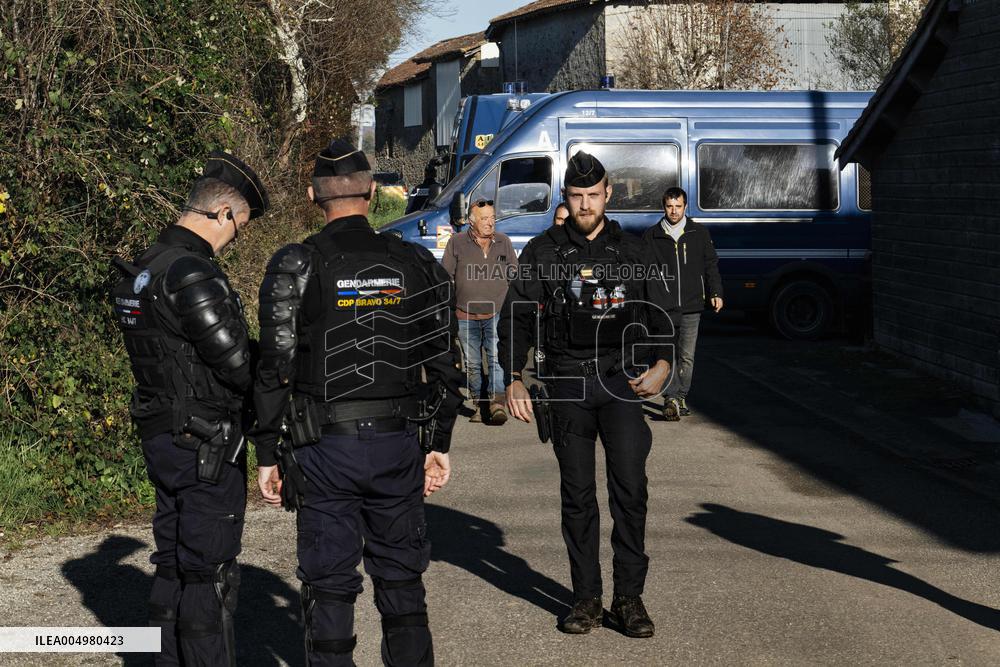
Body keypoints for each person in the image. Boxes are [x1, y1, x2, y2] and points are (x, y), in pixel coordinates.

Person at [252, 139, 463, 667]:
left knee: (329, 588)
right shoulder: (415, 262)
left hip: (324, 449)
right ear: (372, 192)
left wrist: (266, 453)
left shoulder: (295, 264)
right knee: (402, 587)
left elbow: (275, 366)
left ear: (311, 196)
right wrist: (436, 444)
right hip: (396, 445)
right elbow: (444, 364)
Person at [499, 151, 676, 639]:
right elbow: (515, 315)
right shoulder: (543, 251)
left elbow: (662, 314)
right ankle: (586, 598)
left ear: (608, 195)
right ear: (565, 198)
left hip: (620, 382)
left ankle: (629, 598)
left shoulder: (635, 251)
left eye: (592, 196)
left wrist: (663, 363)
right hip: (565, 382)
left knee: (630, 491)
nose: (584, 205)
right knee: (577, 497)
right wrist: (513, 376)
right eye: (575, 197)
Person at [110, 151, 269, 666]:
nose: (235, 238)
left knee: (173, 562)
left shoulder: (141, 267)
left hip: (160, 435)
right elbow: (238, 364)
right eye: (240, 227)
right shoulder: (191, 273)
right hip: (205, 444)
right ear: (224, 214)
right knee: (209, 573)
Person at [642, 186, 723, 421]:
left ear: (685, 207)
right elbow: (645, 271)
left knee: (686, 355)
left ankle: (679, 396)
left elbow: (710, 265)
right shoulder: (651, 236)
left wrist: (716, 291)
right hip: (663, 307)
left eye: (678, 207)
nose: (674, 211)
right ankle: (671, 398)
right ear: (664, 207)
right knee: (667, 354)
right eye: (669, 206)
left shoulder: (698, 233)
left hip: (692, 305)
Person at [442, 197, 517, 425]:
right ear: (472, 222)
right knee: (473, 363)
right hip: (465, 314)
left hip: (496, 312)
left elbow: (515, 274)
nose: (490, 222)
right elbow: (446, 276)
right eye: (484, 218)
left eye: (493, 218)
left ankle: (496, 404)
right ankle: (478, 404)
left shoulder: (503, 242)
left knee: (495, 358)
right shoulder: (456, 242)